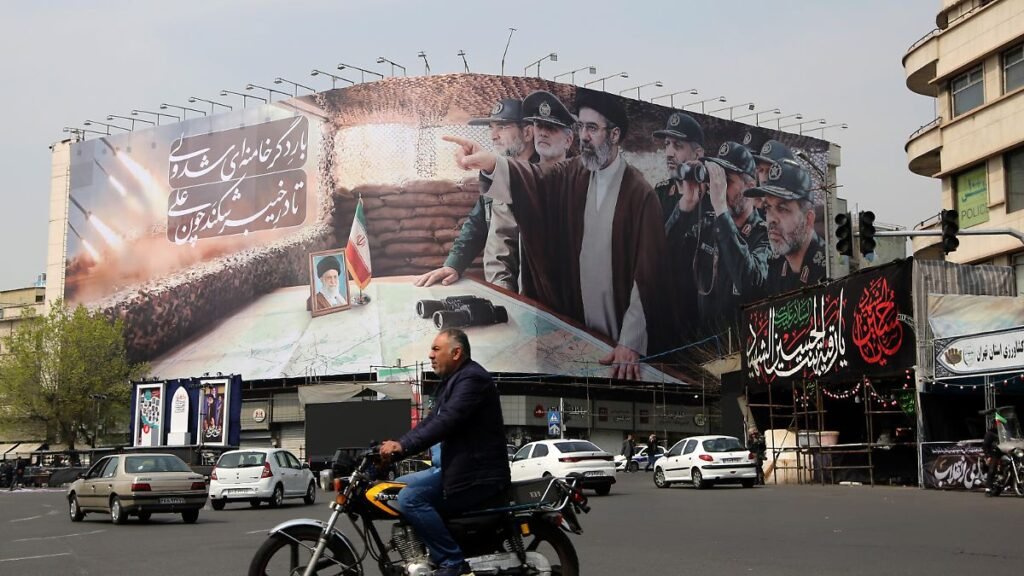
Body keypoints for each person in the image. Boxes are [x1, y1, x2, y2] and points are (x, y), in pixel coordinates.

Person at [443, 89, 670, 380]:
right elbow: (534, 181)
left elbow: (648, 274)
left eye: (592, 128)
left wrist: (631, 341)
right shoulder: (572, 173)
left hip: (617, 335)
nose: (585, 136)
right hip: (573, 325)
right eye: (582, 127)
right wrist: (489, 163)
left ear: (614, 135)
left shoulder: (639, 192)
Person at [380, 329, 509, 576]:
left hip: (477, 474)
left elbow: (449, 420)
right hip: (456, 468)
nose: (430, 355)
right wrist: (398, 446)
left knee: (411, 498)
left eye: (436, 349)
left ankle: (452, 562)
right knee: (393, 487)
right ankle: (423, 549)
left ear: (456, 352)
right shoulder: (453, 382)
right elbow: (430, 422)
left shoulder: (472, 380)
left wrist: (404, 447)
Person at [415, 99, 536, 289]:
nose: (493, 136)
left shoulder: (550, 178)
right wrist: (454, 265)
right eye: (491, 127)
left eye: (503, 126)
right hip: (504, 287)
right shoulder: (495, 174)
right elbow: (478, 222)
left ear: (527, 132)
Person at [673, 142, 770, 334]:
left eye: (727, 181)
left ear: (750, 187)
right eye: (717, 180)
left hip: (739, 350)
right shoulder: (709, 225)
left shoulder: (765, 236)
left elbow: (749, 283)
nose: (718, 188)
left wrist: (721, 211)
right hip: (701, 346)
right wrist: (684, 207)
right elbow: (663, 255)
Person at [485, 90, 576, 293]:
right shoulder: (517, 184)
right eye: (539, 126)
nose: (542, 132)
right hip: (533, 298)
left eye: (551, 127)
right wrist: (504, 297)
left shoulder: (584, 183)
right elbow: (500, 251)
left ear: (568, 140)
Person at [744, 160, 826, 295]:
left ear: (808, 219)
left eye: (782, 208)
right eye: (767, 207)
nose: (771, 219)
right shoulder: (775, 264)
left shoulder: (827, 268)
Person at [983, 417, 1001, 495]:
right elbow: (985, 446)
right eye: (997, 423)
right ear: (993, 424)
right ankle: (988, 488)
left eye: (1000, 424)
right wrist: (988, 456)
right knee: (992, 468)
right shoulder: (990, 433)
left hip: (1003, 452)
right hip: (993, 453)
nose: (999, 425)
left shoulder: (1004, 433)